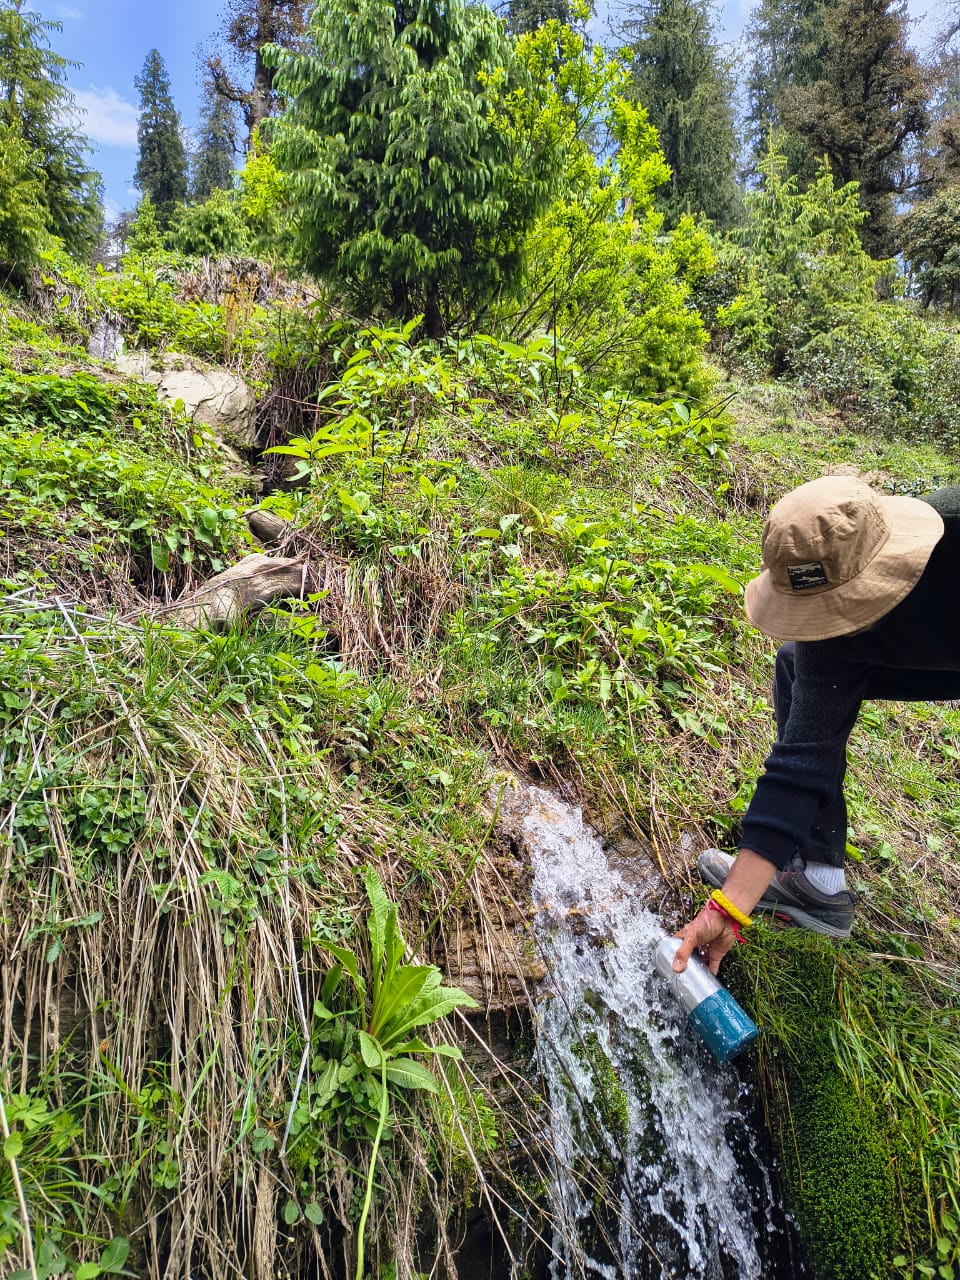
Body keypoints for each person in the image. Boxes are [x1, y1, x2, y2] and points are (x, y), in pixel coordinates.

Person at [672, 474, 960, 976]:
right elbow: (801, 762)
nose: (832, 624)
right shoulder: (830, 626)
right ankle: (818, 880)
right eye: (822, 611)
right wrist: (728, 908)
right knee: (796, 664)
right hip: (932, 646)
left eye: (847, 604)